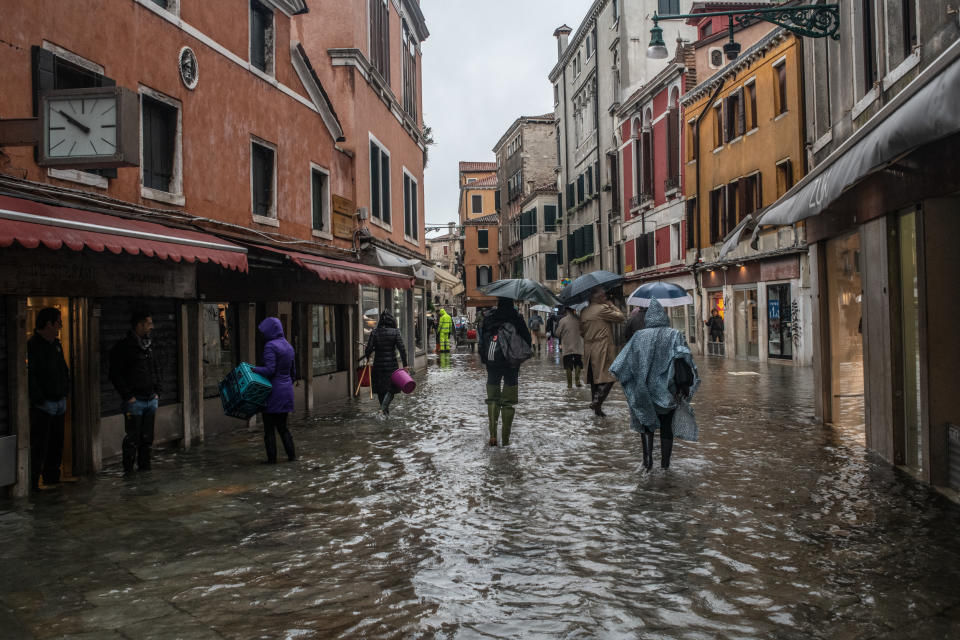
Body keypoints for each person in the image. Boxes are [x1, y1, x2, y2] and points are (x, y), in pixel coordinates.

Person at [610, 299, 699, 472]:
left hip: (644, 391)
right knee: (667, 426)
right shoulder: (675, 335)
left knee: (646, 425)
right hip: (669, 391)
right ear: (665, 317)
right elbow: (687, 360)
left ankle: (647, 464)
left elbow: (619, 365)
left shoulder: (638, 337)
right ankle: (665, 466)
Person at [109, 309, 161, 473]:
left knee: (147, 439)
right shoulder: (124, 347)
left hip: (150, 398)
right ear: (139, 325)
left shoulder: (149, 346)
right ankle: (129, 474)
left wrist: (157, 390)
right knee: (132, 439)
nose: (152, 327)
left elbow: (155, 368)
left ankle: (145, 472)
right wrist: (128, 396)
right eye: (149, 323)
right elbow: (114, 374)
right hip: (135, 401)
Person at [479, 297, 532, 446]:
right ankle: (506, 440)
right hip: (512, 364)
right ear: (512, 302)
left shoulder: (490, 318)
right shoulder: (516, 318)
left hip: (492, 363)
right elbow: (527, 341)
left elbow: (482, 341)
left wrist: (486, 360)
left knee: (492, 399)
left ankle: (493, 435)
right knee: (508, 402)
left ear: (498, 302)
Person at [27, 307, 70, 490]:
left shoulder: (57, 345)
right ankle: (34, 481)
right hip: (43, 405)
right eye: (58, 322)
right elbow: (30, 376)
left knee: (56, 443)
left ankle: (52, 478)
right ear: (48, 324)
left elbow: (63, 370)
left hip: (59, 401)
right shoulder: (33, 346)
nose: (60, 325)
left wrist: (65, 391)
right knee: (40, 444)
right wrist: (40, 399)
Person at [251, 317, 296, 463]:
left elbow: (270, 370)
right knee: (283, 428)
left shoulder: (270, 346)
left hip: (273, 394)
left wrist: (253, 369)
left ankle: (272, 461)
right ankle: (292, 458)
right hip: (286, 392)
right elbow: (293, 372)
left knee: (269, 429)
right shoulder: (288, 346)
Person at [580, 289, 625, 417]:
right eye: (603, 296)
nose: (605, 297)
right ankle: (597, 401)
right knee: (611, 375)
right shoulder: (602, 309)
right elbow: (621, 317)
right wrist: (611, 305)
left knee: (595, 378)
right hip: (603, 347)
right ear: (598, 297)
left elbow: (581, 332)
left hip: (589, 348)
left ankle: (597, 409)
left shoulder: (584, 311)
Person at [363, 310, 408, 417]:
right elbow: (402, 349)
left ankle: (384, 413)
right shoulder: (395, 332)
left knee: (381, 390)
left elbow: (368, 350)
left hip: (378, 366)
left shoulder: (374, 332)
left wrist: (368, 354)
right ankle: (383, 410)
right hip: (391, 366)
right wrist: (405, 365)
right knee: (391, 389)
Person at [554, 306, 584, 389]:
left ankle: (569, 384)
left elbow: (557, 334)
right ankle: (577, 381)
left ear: (566, 310)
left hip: (567, 347)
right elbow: (584, 332)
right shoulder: (579, 319)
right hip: (578, 346)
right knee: (578, 362)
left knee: (568, 365)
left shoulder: (563, 321)